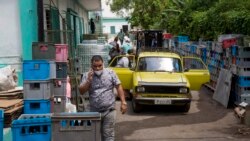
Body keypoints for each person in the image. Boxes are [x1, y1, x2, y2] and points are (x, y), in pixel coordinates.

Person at [78, 55, 127, 141]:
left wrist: (123, 102)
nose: (97, 68)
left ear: (103, 64)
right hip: (94, 112)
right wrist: (88, 80)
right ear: (91, 65)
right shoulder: (87, 75)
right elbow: (81, 91)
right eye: (95, 66)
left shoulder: (110, 73)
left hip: (109, 110)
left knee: (108, 135)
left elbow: (118, 86)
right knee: (94, 136)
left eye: (99, 66)